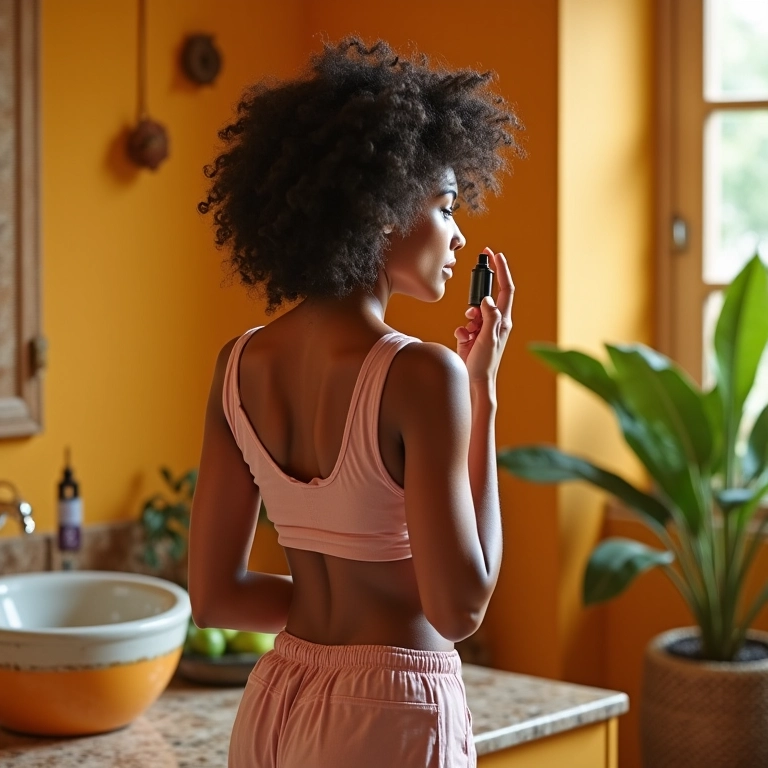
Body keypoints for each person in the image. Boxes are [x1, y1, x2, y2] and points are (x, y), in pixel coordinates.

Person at [188, 36, 523, 768]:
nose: (459, 231)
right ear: (381, 211)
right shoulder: (424, 376)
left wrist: (322, 612)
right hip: (390, 718)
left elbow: (214, 599)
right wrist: (483, 396)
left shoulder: (237, 365)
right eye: (443, 204)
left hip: (276, 698)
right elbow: (460, 607)